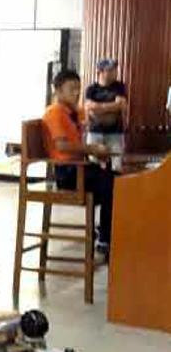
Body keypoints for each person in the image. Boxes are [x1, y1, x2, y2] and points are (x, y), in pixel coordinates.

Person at [43, 69, 115, 255]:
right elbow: (63, 146)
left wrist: (97, 154)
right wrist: (92, 150)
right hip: (67, 173)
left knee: (119, 181)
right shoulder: (54, 112)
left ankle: (106, 231)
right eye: (71, 89)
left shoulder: (75, 112)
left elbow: (79, 143)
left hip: (79, 169)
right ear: (58, 91)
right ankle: (105, 238)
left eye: (78, 88)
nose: (76, 93)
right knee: (112, 184)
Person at [84, 58, 127, 172]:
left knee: (116, 166)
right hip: (95, 131)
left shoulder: (119, 87)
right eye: (111, 70)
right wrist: (110, 108)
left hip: (115, 132)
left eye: (115, 70)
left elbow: (121, 105)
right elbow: (89, 107)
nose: (115, 72)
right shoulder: (91, 89)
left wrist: (98, 109)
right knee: (93, 165)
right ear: (100, 72)